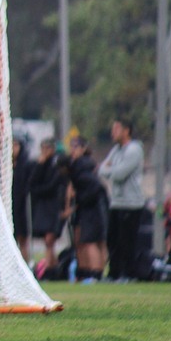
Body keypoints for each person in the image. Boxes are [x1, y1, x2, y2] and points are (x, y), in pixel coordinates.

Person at [98, 117, 145, 282]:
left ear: (126, 131)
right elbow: (102, 169)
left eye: (116, 129)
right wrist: (112, 170)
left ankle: (128, 274)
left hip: (131, 203)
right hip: (116, 202)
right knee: (113, 241)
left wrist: (112, 170)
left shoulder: (134, 150)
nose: (113, 132)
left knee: (127, 241)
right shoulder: (116, 150)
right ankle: (114, 273)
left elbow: (120, 174)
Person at [62, 137, 108, 283]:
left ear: (83, 148)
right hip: (85, 208)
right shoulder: (76, 167)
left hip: (92, 209)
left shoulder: (84, 166)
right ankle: (84, 272)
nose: (73, 150)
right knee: (81, 242)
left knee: (91, 241)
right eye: (71, 146)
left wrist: (79, 198)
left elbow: (96, 188)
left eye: (76, 147)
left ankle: (95, 274)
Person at [28, 139, 67, 275]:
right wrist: (40, 165)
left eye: (47, 148)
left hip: (54, 206)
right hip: (43, 206)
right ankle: (52, 268)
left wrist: (37, 190)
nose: (44, 152)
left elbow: (51, 187)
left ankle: (51, 269)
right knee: (47, 240)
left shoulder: (57, 165)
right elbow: (32, 183)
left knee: (50, 238)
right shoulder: (41, 164)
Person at [11, 138, 34, 263]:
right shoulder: (6, 166)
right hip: (10, 205)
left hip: (22, 206)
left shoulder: (25, 165)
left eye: (16, 145)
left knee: (22, 237)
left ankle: (25, 263)